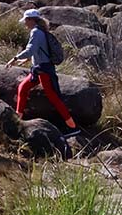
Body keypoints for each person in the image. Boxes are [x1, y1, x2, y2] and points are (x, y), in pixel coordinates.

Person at [6, 8, 80, 138]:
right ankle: (18, 121)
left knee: (54, 98)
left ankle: (72, 127)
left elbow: (31, 49)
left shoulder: (36, 32)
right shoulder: (41, 31)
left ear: (31, 20)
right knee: (23, 88)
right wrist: (27, 60)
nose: (25, 24)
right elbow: (38, 50)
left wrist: (15, 58)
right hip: (38, 69)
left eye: (26, 21)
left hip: (44, 70)